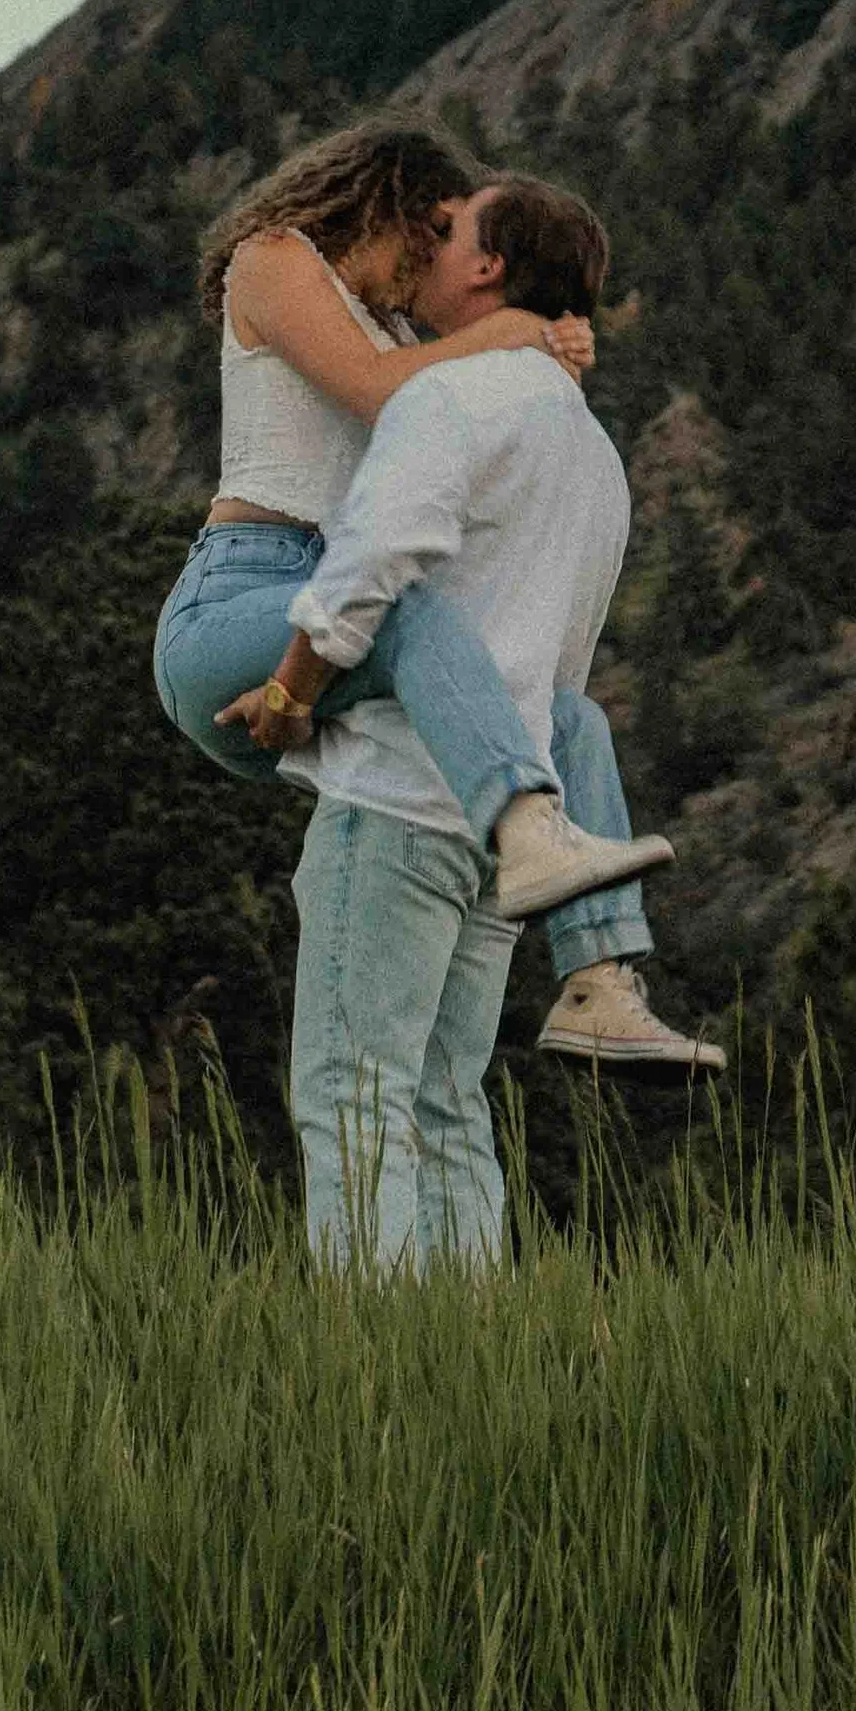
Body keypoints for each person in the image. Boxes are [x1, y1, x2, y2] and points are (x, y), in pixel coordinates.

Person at [153, 120, 717, 1068]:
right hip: (237, 603)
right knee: (414, 613)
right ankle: (524, 829)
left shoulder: (407, 334)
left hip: (331, 627)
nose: (438, 261)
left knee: (567, 716)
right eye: (437, 231)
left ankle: (601, 978)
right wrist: (511, 335)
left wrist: (537, 353)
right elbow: (378, 393)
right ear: (395, 208)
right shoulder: (275, 259)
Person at [266, 174, 660, 1263]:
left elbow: (373, 564)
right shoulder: (593, 455)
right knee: (446, 1102)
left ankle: (371, 1361)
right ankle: (466, 1347)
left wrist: (295, 684)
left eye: (444, 234)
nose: (424, 247)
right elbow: (565, 666)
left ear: (487, 266)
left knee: (353, 1094)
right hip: (507, 833)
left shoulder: (447, 400)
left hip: (395, 798)